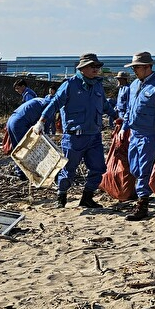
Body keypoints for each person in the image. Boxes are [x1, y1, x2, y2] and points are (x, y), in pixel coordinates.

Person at [39, 53, 109, 208]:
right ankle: (61, 196)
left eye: (98, 66)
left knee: (98, 168)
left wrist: (117, 117)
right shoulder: (70, 85)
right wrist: (41, 121)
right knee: (68, 169)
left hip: (94, 136)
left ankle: (87, 197)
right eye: (93, 66)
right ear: (82, 68)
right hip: (74, 137)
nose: (96, 69)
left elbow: (104, 105)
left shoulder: (98, 85)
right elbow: (55, 104)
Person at [120, 52, 155, 220]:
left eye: (136, 67)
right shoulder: (133, 86)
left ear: (147, 67)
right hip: (135, 134)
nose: (134, 71)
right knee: (135, 168)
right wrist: (125, 127)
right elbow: (129, 110)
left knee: (145, 170)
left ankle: (142, 204)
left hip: (150, 136)